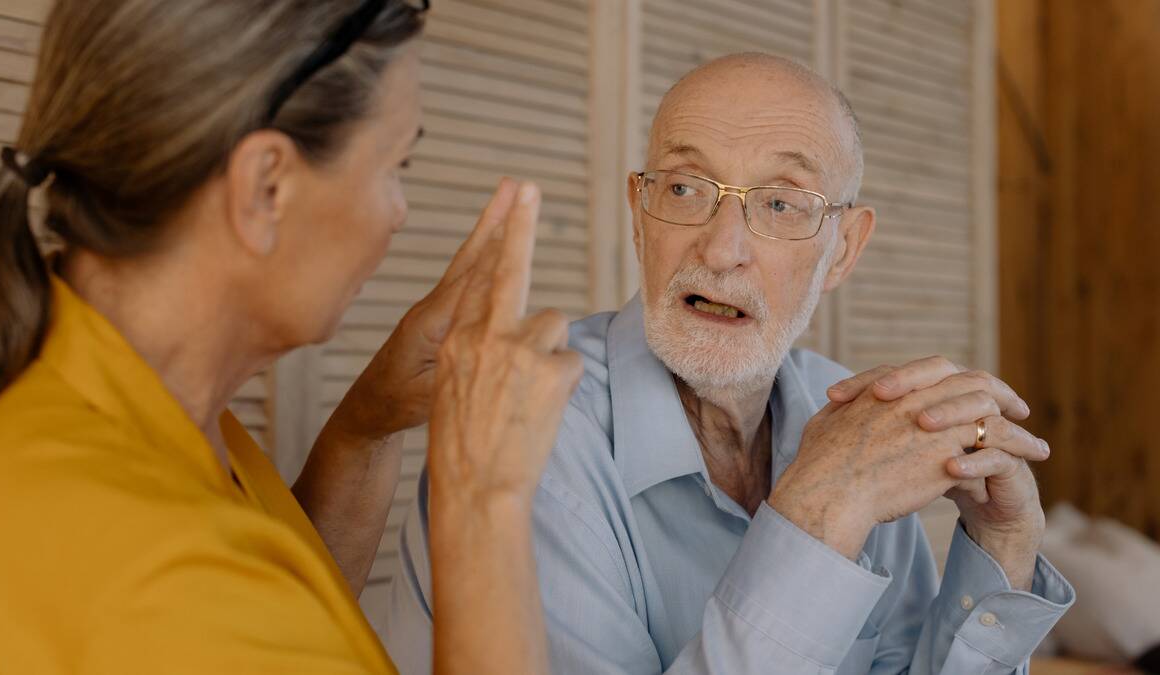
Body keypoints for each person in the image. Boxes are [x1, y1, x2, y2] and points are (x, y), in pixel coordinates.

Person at [387, 53, 1075, 674]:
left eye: (780, 203)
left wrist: (1002, 549)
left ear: (843, 249)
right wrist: (819, 512)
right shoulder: (534, 425)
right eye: (685, 189)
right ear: (640, 213)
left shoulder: (851, 421)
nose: (721, 251)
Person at [0, 1, 581, 673]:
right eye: (395, 167)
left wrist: (367, 425)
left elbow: (275, 627)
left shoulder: (128, 400)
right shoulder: (143, 565)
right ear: (266, 187)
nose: (398, 215)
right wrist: (485, 499)